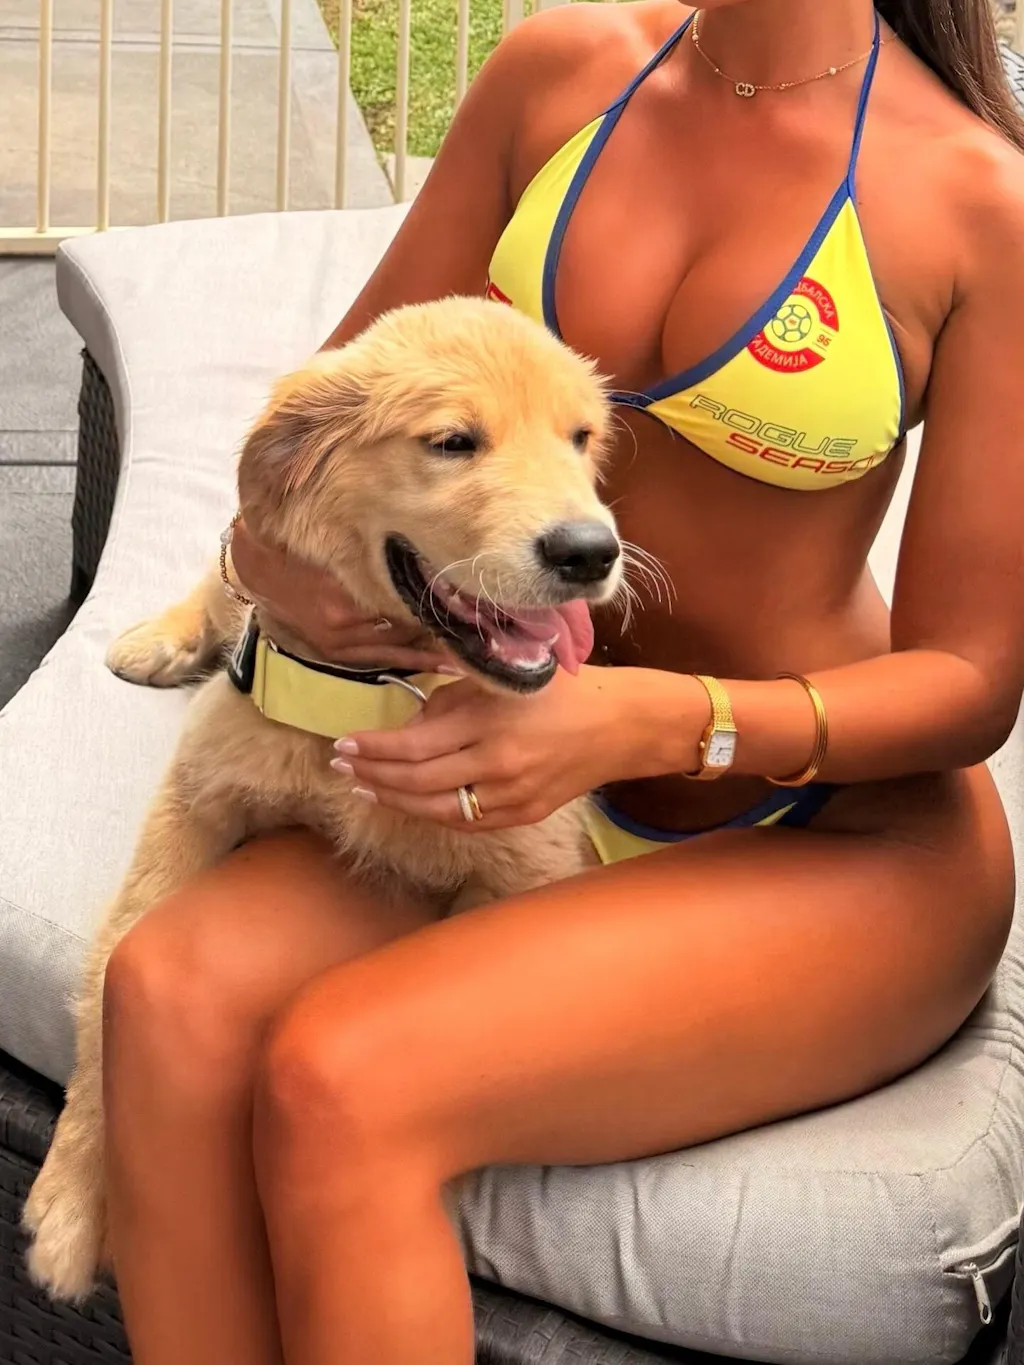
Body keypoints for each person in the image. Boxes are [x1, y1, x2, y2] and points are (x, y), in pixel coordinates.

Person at [99, 2, 1024, 1361]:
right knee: (167, 998)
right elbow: (318, 427)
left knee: (346, 1077)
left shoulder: (981, 203)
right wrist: (264, 565)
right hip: (507, 776)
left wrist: (646, 721)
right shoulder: (558, 73)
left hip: (827, 830)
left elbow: (974, 682)